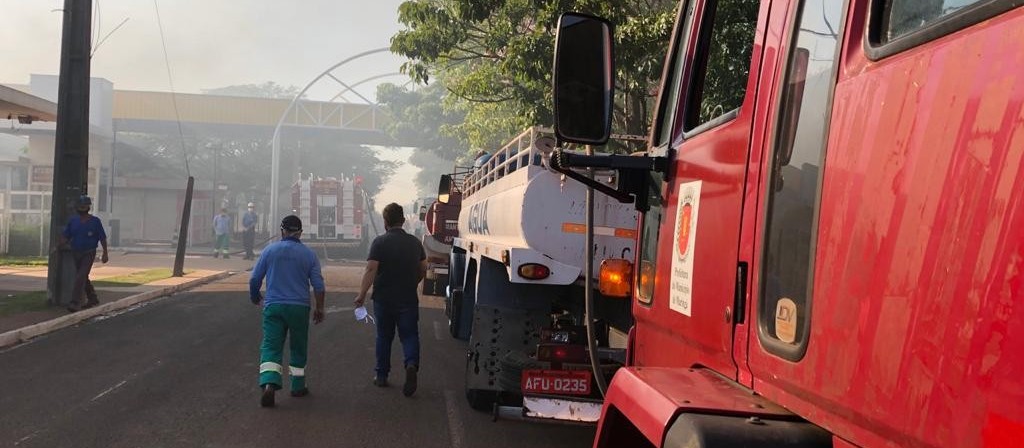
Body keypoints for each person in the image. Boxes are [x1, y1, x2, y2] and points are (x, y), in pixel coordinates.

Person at [249, 215, 326, 408]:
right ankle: (297, 386)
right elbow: (318, 285)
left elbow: (254, 279)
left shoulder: (269, 250)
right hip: (299, 307)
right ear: (300, 232)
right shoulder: (309, 255)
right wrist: (320, 307)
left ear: (282, 231)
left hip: (273, 305)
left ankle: (269, 383)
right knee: (298, 346)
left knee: (271, 346)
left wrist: (255, 297)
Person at [354, 203, 427, 397]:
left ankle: (381, 376)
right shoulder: (415, 243)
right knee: (410, 335)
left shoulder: (380, 242)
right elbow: (423, 269)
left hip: (384, 299)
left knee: (384, 336)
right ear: (403, 221)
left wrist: (361, 294)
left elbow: (371, 269)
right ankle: (411, 364)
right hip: (408, 298)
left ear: (385, 222)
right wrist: (414, 282)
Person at [57, 195, 109, 312]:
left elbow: (102, 238)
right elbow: (66, 236)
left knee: (80, 277)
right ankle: (92, 298)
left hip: (89, 253)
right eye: (80, 206)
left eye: (84, 206)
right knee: (83, 277)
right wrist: (59, 245)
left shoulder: (95, 222)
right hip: (76, 252)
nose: (82, 208)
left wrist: (105, 253)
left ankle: (74, 302)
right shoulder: (73, 221)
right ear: (77, 208)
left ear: (88, 207)